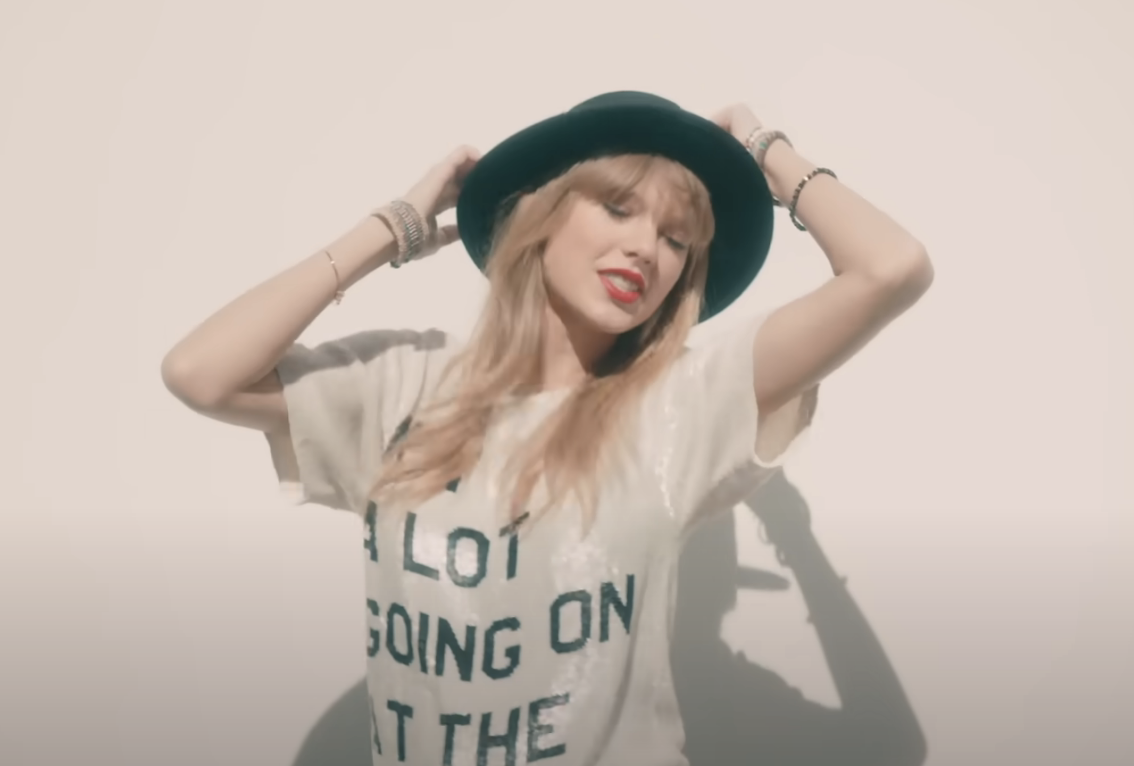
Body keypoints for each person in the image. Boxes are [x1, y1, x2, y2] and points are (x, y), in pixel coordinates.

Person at [161, 91, 934, 766]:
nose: (645, 249)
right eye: (620, 207)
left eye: (676, 238)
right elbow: (201, 372)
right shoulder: (402, 383)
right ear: (543, 214)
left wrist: (767, 151)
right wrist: (394, 229)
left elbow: (890, 268)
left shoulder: (679, 405)